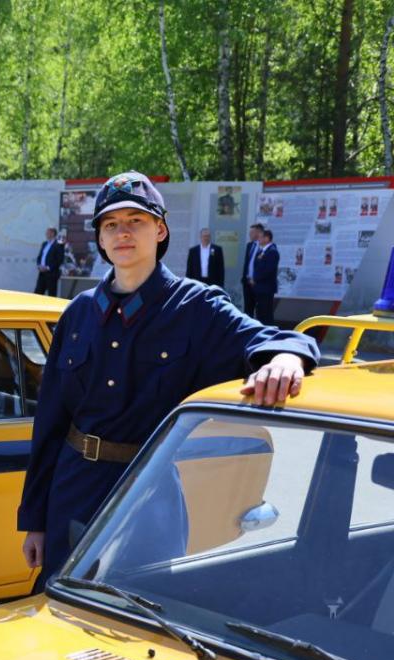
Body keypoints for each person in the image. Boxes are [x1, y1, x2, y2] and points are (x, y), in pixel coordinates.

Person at [18, 172, 319, 587]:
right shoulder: (78, 313)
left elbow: (275, 339)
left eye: (135, 221)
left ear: (159, 229)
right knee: (59, 603)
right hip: (75, 486)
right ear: (101, 240)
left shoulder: (196, 308)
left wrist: (287, 357)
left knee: (142, 615)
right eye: (111, 225)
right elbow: (49, 423)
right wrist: (35, 519)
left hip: (150, 492)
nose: (123, 233)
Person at [252, 228, 279, 325]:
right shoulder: (263, 251)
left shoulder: (272, 251)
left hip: (266, 288)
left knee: (266, 314)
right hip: (260, 288)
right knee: (260, 313)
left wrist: (255, 279)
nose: (258, 239)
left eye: (260, 237)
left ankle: (269, 333)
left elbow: (267, 270)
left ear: (267, 238)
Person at [241, 222, 264, 317]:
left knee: (260, 310)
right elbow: (247, 263)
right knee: (248, 308)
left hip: (257, 283)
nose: (249, 235)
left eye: (252, 232)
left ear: (258, 233)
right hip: (247, 282)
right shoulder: (249, 245)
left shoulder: (264, 246)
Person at [34, 227, 63, 296]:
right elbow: (39, 257)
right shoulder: (44, 244)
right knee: (38, 293)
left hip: (52, 274)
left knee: (51, 295)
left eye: (48, 232)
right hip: (42, 274)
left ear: (52, 233)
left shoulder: (58, 244)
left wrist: (48, 267)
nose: (46, 234)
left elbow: (59, 260)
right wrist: (39, 265)